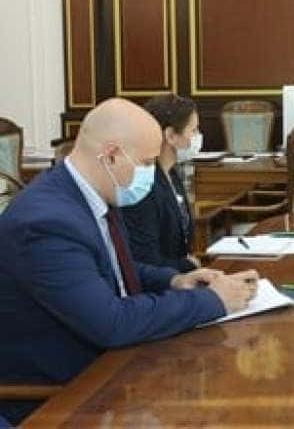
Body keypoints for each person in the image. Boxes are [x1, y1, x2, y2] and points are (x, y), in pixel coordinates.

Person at [0, 98, 258, 425]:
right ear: (111, 155)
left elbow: (111, 271)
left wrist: (174, 281)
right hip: (61, 398)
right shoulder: (46, 223)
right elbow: (112, 323)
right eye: (147, 162)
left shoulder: (95, 192)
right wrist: (212, 301)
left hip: (113, 371)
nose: (151, 173)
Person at [121, 94, 202, 272]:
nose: (198, 137)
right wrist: (188, 265)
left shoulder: (171, 172)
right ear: (170, 135)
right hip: (159, 281)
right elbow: (145, 260)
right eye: (193, 131)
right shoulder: (143, 185)